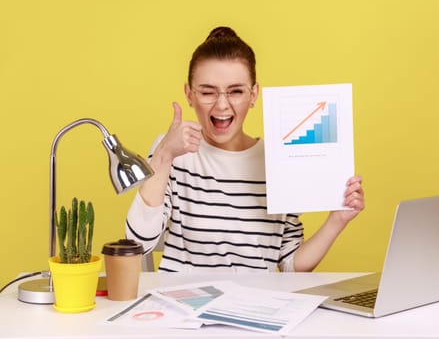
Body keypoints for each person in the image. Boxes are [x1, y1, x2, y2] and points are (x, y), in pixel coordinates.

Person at [126, 26, 365, 272]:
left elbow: (291, 265)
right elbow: (138, 242)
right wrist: (164, 156)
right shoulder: (171, 152)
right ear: (189, 94)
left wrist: (337, 220)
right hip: (184, 304)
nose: (221, 105)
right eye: (208, 92)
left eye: (236, 91)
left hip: (258, 306)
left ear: (253, 94)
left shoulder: (278, 160)